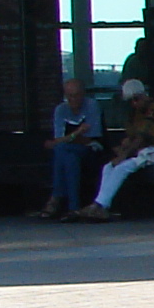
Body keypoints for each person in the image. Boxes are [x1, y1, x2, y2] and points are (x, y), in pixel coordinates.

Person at [73, 78, 154, 219]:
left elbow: (142, 137)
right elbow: (133, 136)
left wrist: (123, 155)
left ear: (143, 95)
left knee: (122, 167)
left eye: (136, 99)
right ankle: (100, 205)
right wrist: (124, 145)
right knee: (108, 167)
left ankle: (100, 205)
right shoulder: (134, 113)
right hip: (141, 153)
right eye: (131, 101)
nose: (134, 104)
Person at [37, 77, 102, 218]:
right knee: (69, 158)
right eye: (70, 96)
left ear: (83, 94)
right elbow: (58, 138)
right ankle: (74, 208)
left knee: (60, 149)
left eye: (77, 95)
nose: (74, 99)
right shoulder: (60, 110)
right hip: (70, 151)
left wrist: (67, 139)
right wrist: (76, 134)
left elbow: (90, 138)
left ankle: (56, 197)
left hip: (91, 150)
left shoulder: (92, 106)